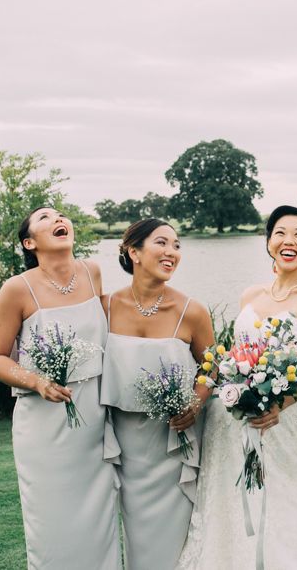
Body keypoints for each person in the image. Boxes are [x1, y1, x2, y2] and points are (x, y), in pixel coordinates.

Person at [178, 205, 297, 570]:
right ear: (268, 243)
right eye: (280, 233)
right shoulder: (250, 295)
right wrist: (233, 389)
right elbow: (236, 353)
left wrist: (277, 406)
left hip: (274, 422)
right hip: (228, 418)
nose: (289, 241)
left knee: (288, 492)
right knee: (227, 497)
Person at [0, 207, 121, 570]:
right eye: (45, 218)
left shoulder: (92, 272)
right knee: (52, 524)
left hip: (93, 414)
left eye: (60, 214)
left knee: (99, 519)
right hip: (44, 423)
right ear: (30, 242)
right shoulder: (17, 289)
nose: (58, 219)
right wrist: (37, 381)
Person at [100, 218, 215, 570]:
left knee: (177, 537)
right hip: (125, 446)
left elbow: (213, 367)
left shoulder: (191, 311)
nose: (172, 252)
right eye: (162, 243)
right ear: (133, 251)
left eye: (177, 245)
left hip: (174, 444)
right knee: (135, 535)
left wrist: (195, 403)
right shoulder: (105, 307)